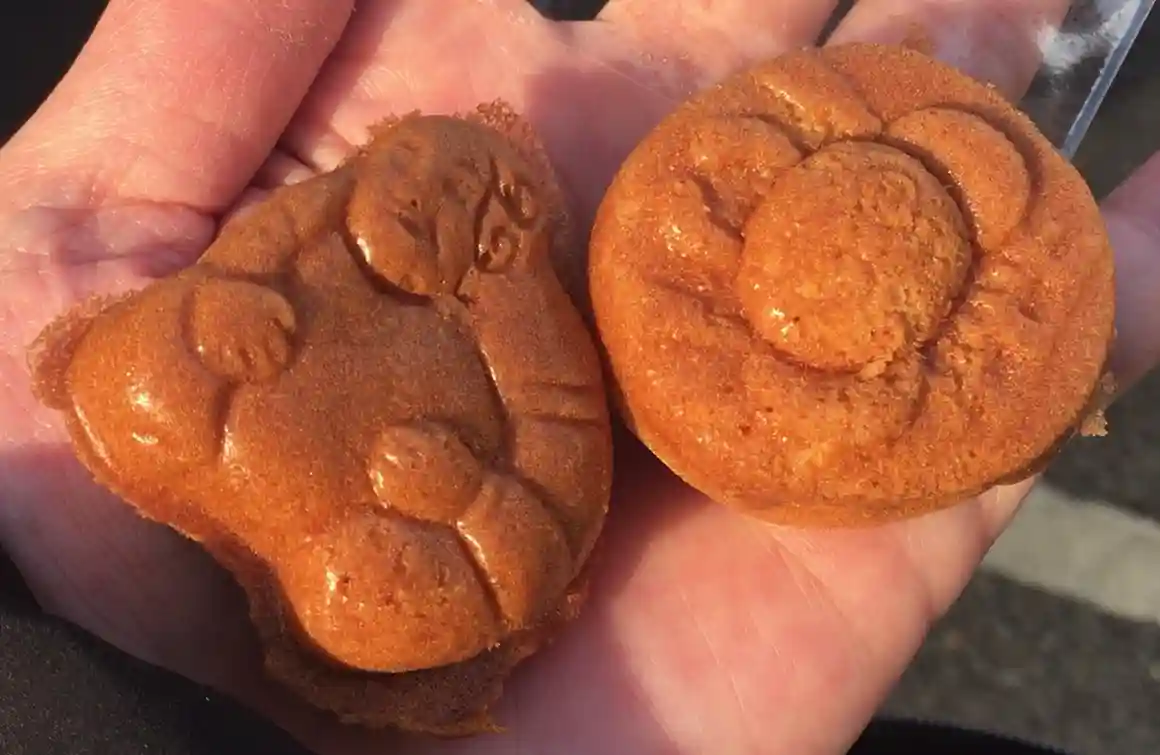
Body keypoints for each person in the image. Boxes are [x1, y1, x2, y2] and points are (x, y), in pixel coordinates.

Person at [0, 1, 1156, 753]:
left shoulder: (508, 321)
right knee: (161, 394)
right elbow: (215, 305)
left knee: (412, 595)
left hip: (457, 489)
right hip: (354, 477)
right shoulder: (314, 280)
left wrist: (458, 485)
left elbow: (538, 460)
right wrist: (234, 310)